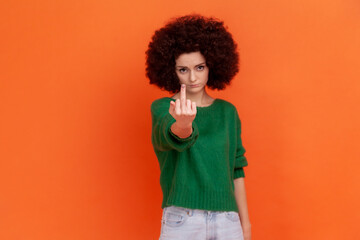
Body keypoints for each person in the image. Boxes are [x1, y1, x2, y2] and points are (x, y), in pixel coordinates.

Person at [146, 14, 251, 240]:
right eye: (183, 70)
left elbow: (236, 169)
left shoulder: (227, 112)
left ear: (212, 64)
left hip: (228, 221)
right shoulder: (164, 108)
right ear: (171, 71)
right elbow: (172, 135)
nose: (193, 77)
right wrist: (183, 124)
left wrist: (246, 224)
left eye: (200, 67)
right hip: (183, 220)